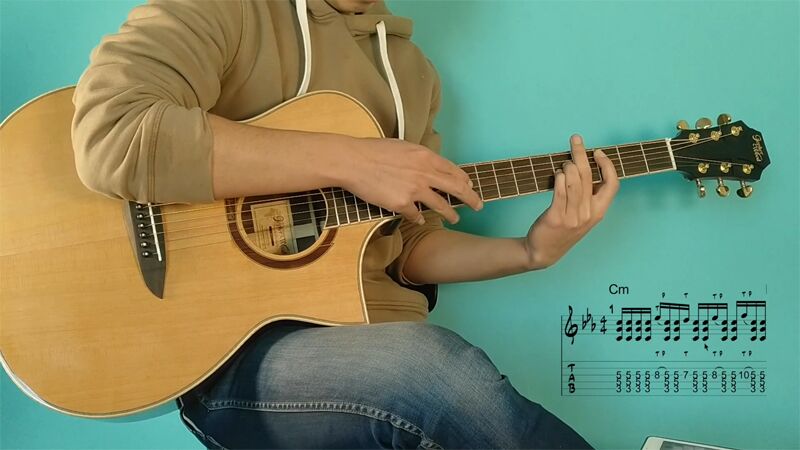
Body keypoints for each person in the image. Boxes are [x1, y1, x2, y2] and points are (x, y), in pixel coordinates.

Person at [71, 0, 618, 447]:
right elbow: (113, 129)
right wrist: (352, 161)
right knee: (430, 371)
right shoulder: (227, 9)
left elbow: (405, 242)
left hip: (375, 350)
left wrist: (530, 252)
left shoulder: (413, 74)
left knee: (425, 373)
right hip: (231, 356)